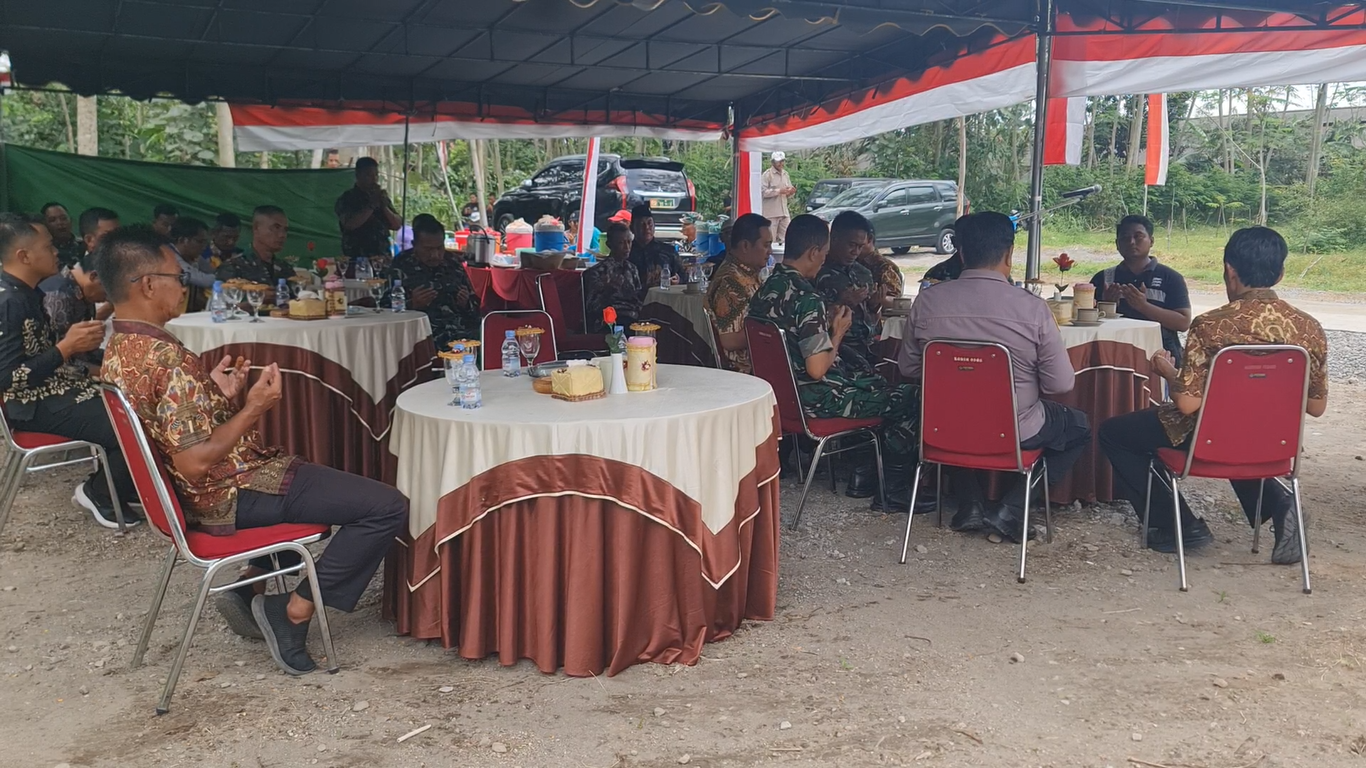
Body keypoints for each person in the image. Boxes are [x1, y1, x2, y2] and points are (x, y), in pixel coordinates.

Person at [97, 227, 408, 675]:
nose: (185, 284)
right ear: (147, 284)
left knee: (314, 477)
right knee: (385, 506)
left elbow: (175, 432)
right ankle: (292, 611)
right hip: (230, 491)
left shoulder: (121, 348)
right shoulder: (167, 358)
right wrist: (253, 408)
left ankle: (248, 590)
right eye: (177, 275)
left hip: (201, 491)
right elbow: (194, 459)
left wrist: (217, 396)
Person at [1099, 227, 1326, 562]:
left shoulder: (1211, 325)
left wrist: (1168, 373)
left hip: (1214, 434)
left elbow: (1189, 403)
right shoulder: (1309, 327)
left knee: (1115, 433)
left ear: (1229, 270)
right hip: (1274, 437)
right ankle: (1280, 504)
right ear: (1280, 273)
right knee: (1236, 432)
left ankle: (1176, 525)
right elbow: (1316, 406)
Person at [898, 212, 1091, 543]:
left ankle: (971, 503)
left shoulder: (927, 302)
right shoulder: (1032, 309)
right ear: (1009, 254)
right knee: (1079, 427)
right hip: (1017, 430)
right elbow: (1061, 384)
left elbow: (909, 369)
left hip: (941, 427)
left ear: (959, 253)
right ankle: (1012, 508)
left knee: (959, 408)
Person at [747, 214, 922, 513]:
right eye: (824, 254)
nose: (824, 261)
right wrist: (837, 333)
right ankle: (892, 489)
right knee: (911, 397)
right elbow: (817, 369)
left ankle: (864, 474)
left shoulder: (765, 289)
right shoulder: (806, 298)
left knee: (877, 382)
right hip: (817, 400)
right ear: (814, 252)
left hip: (781, 399)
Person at [0, 214, 139, 529]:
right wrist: (66, 348)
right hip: (29, 404)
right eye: (48, 247)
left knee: (134, 398)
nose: (56, 253)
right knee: (126, 418)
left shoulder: (27, 292)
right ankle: (99, 492)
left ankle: (123, 487)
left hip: (54, 388)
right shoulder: (9, 302)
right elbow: (7, 379)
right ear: (23, 256)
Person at [1090, 214, 1192, 364]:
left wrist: (1144, 306)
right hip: (1112, 357)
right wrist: (1106, 305)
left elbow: (1183, 323)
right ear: (1117, 244)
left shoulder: (1171, 278)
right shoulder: (1103, 278)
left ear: (1151, 241)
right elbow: (1084, 320)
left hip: (1160, 358)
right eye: (1125, 238)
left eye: (1138, 237)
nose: (1131, 242)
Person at [384, 214, 481, 348]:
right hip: (421, 334)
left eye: (439, 248)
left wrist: (465, 303)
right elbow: (384, 311)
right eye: (428, 249)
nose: (435, 255)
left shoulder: (453, 262)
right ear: (415, 245)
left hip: (459, 331)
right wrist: (412, 304)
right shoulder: (401, 265)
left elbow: (476, 309)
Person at [705, 213, 772, 374]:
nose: (770, 251)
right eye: (766, 245)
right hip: (745, 370)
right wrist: (771, 328)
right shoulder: (730, 282)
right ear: (745, 246)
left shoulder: (747, 273)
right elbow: (728, 340)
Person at [816, 211, 880, 375]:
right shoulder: (817, 272)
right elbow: (811, 319)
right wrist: (841, 302)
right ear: (835, 238)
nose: (855, 252)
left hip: (866, 345)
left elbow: (871, 319)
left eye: (860, 247)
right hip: (833, 349)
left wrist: (874, 306)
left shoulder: (863, 273)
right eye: (851, 245)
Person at [38, 251, 105, 375]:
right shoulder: (58, 296)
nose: (108, 299)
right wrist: (104, 373)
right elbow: (57, 360)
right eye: (108, 292)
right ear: (94, 277)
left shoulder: (83, 291)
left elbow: (87, 352)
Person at [335, 157, 401, 274]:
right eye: (368, 175)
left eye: (376, 175)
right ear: (358, 175)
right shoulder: (348, 198)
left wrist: (383, 206)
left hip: (381, 257)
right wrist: (371, 206)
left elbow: (396, 225)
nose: (374, 179)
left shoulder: (382, 197)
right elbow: (349, 224)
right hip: (356, 257)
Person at [216, 205, 297, 290]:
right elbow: (222, 300)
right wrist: (261, 297)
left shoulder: (285, 269)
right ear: (256, 228)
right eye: (276, 228)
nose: (282, 235)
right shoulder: (234, 267)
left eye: (285, 230)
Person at [584, 223, 643, 333]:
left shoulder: (632, 269)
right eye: (621, 243)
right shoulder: (597, 272)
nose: (627, 247)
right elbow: (591, 309)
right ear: (609, 244)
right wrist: (608, 290)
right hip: (609, 321)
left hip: (634, 318)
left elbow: (639, 299)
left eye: (629, 242)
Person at [627, 204, 683, 291]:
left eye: (649, 223)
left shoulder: (668, 251)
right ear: (632, 228)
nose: (646, 228)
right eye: (641, 224)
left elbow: (683, 277)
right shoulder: (626, 252)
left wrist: (677, 281)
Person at [169, 217, 218, 313]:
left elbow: (211, 271)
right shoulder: (169, 256)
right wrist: (224, 277)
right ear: (182, 240)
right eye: (199, 242)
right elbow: (202, 280)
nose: (204, 247)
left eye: (205, 242)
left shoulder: (192, 256)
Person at [859, 230, 904, 314]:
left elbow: (897, 301)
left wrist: (879, 299)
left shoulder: (884, 267)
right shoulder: (848, 262)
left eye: (859, 244)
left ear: (869, 239)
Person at [761, 151, 795, 242]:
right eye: (778, 161)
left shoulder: (785, 174)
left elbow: (788, 191)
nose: (781, 163)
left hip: (784, 212)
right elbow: (763, 192)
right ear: (772, 162)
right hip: (771, 213)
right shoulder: (767, 175)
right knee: (770, 239)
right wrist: (779, 191)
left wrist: (790, 192)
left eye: (782, 161)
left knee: (788, 237)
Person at [40, 203, 85, 270]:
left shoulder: (85, 245)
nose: (59, 223)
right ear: (45, 225)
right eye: (52, 220)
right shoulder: (44, 251)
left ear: (71, 221)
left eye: (63, 218)